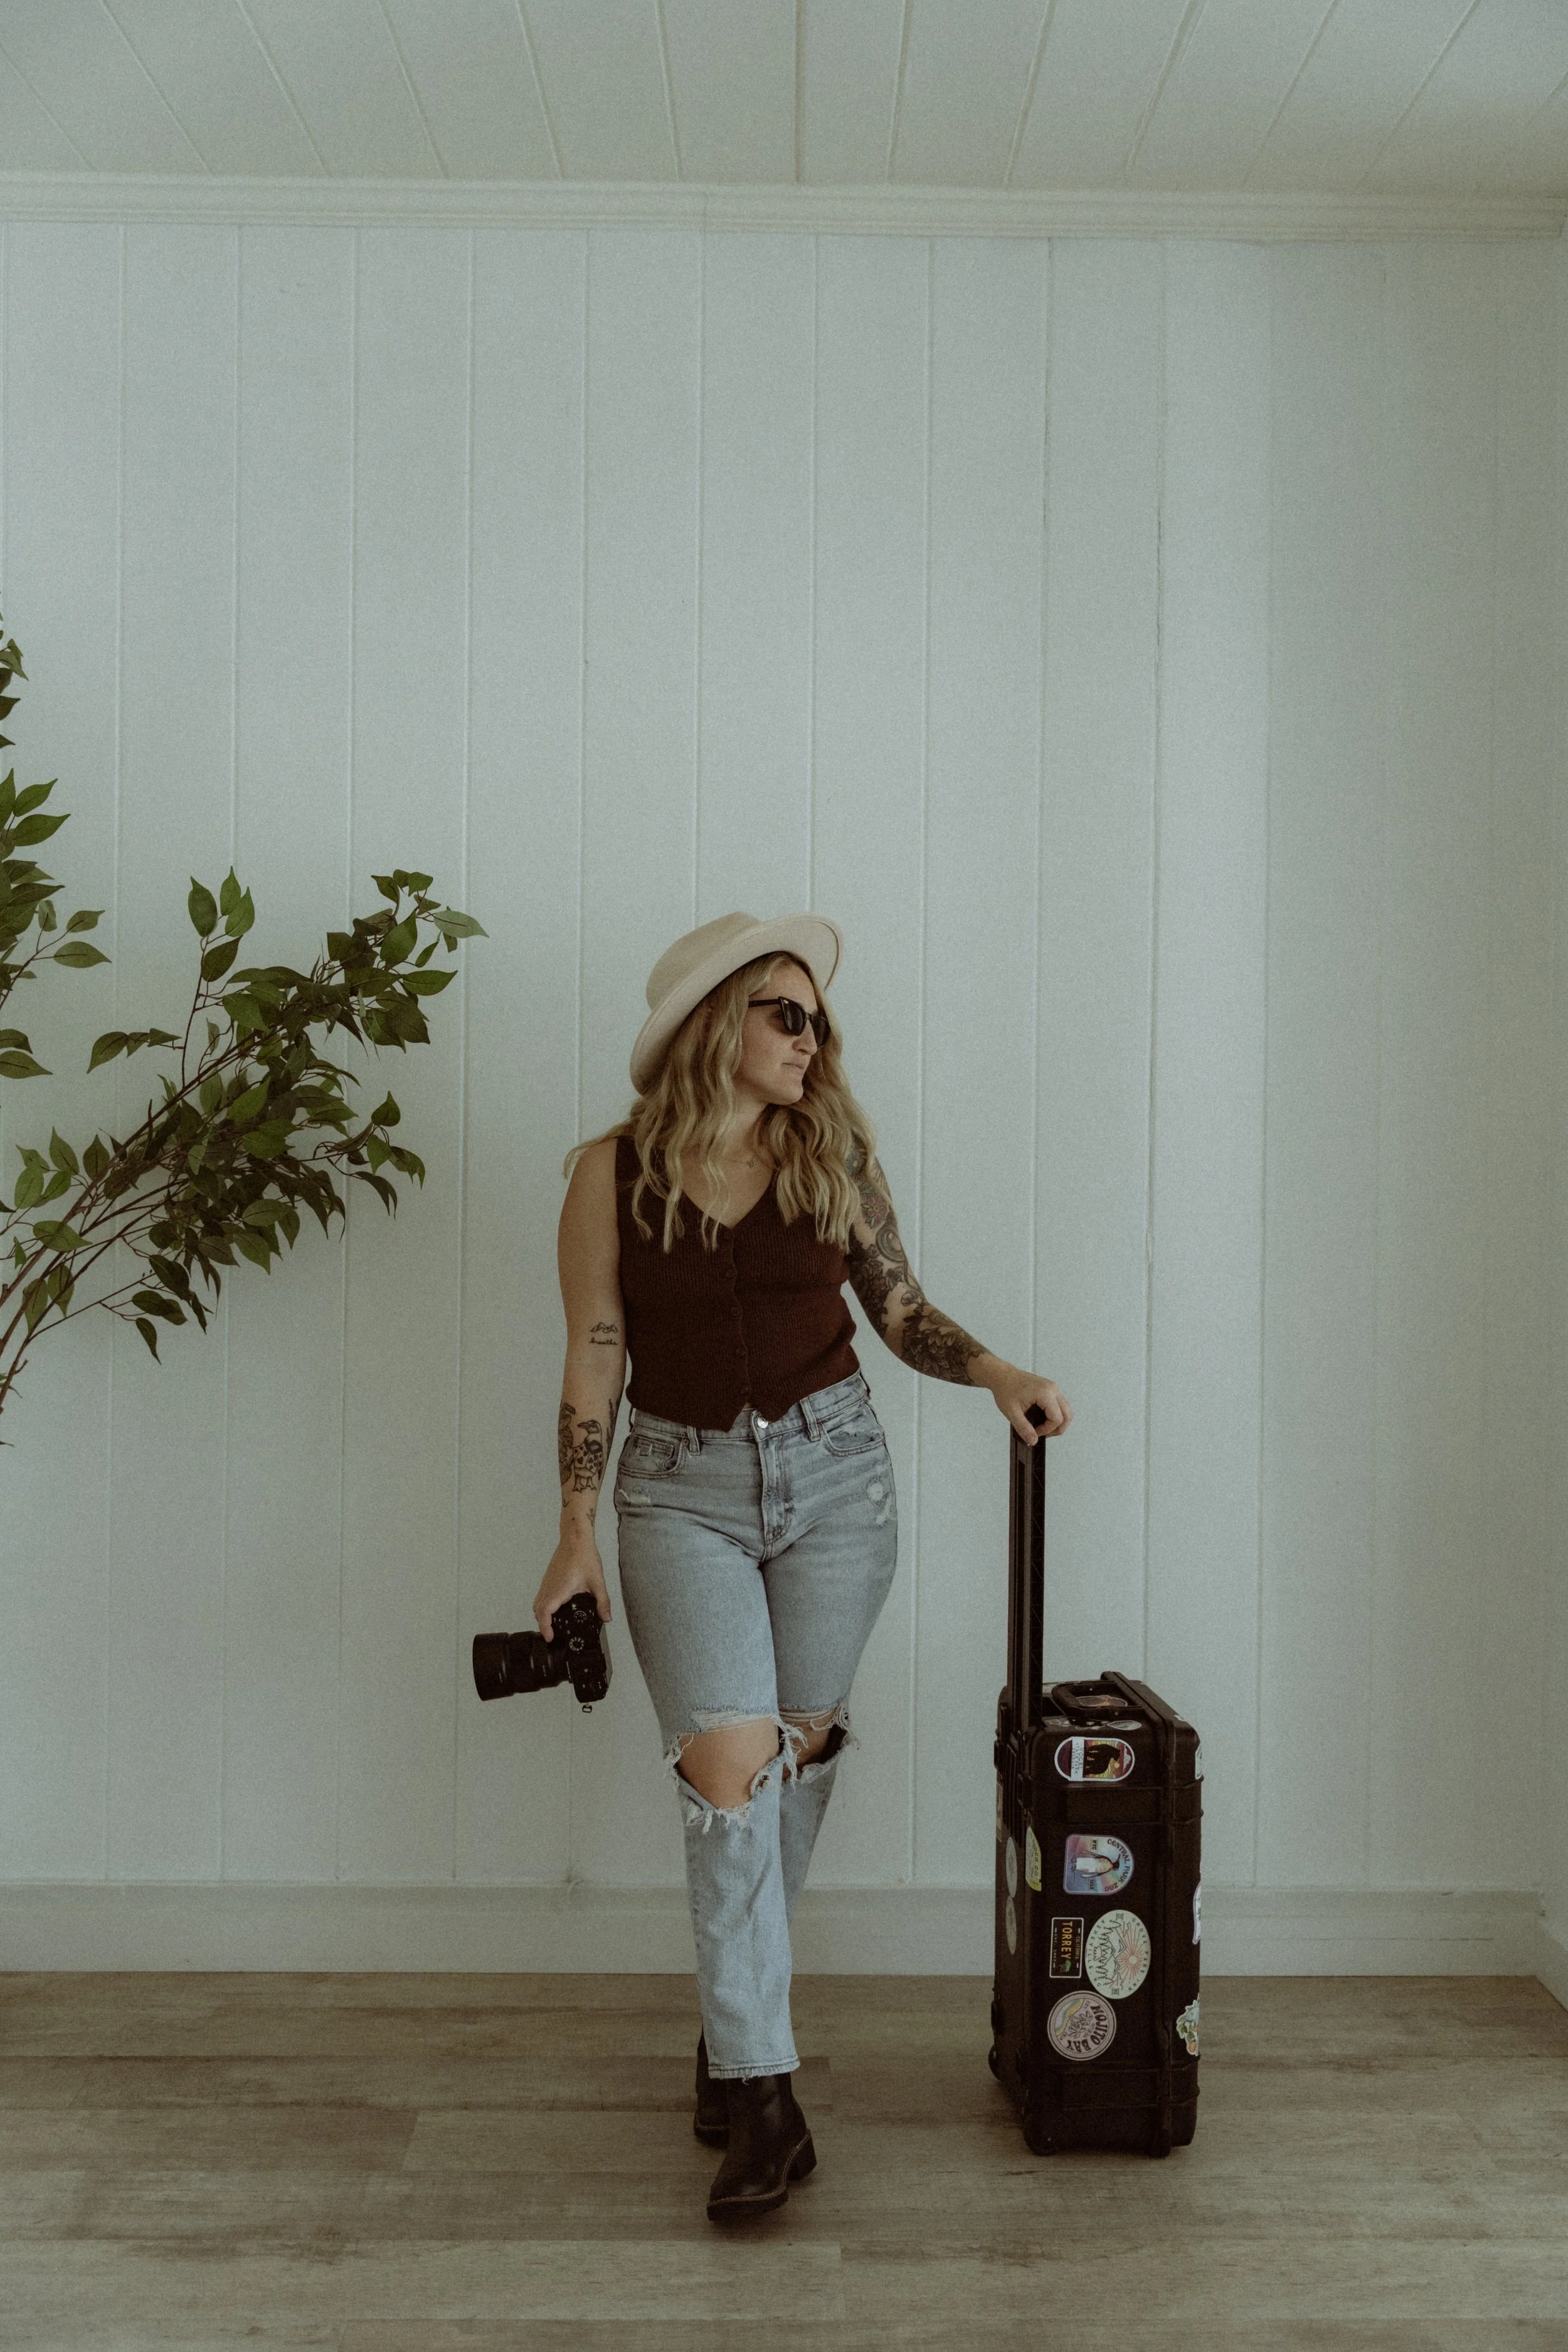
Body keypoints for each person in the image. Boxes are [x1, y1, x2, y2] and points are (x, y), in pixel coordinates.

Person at [532, 911, 1072, 2222]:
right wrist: (571, 1533)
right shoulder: (609, 1174)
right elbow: (596, 1346)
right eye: (785, 1013)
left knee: (796, 1755)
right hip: (677, 1489)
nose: (809, 1037)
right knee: (726, 1771)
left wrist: (994, 1369)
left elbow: (896, 1308)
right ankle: (767, 2100)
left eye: (816, 1019)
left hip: (836, 1480)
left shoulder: (833, 1154)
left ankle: (731, 2037)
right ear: (717, 1022)